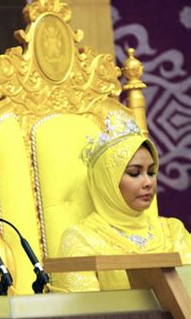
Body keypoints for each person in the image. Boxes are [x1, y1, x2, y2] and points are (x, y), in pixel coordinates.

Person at [56, 111, 190, 292]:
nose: (148, 182)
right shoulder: (81, 239)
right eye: (135, 173)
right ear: (107, 182)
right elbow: (83, 315)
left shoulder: (173, 231)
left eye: (151, 172)